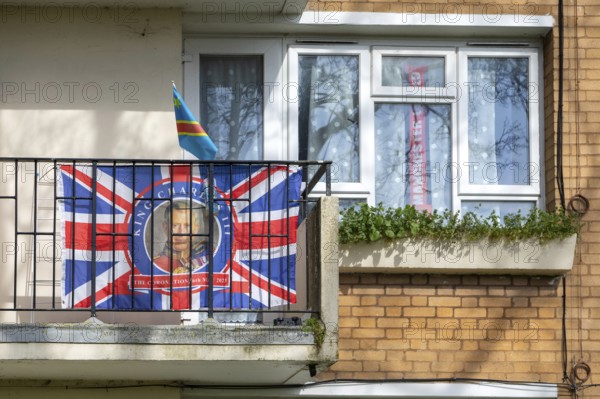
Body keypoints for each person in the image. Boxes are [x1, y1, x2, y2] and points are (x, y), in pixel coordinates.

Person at [153, 200, 208, 274]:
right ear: (165, 228)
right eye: (175, 225)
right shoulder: (155, 263)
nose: (181, 232)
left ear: (196, 229)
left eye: (187, 226)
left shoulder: (208, 255)